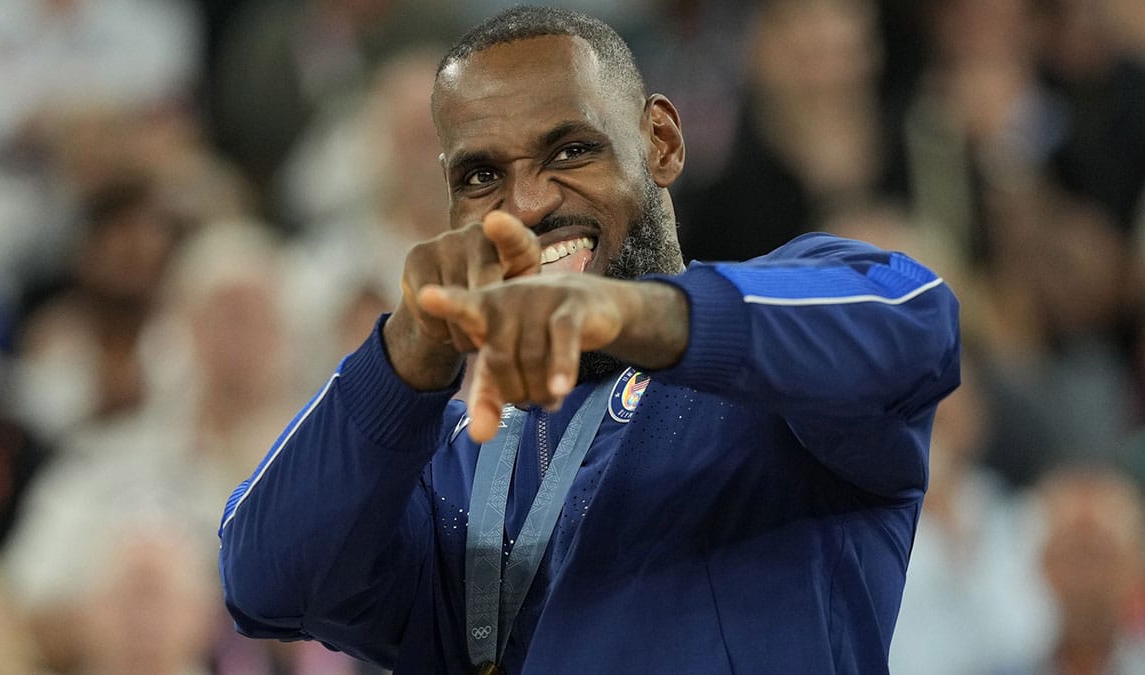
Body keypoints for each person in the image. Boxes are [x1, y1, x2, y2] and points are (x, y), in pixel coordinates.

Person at [217, 6, 961, 674]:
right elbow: (264, 581)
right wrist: (405, 355)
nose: (529, 203)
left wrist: (623, 314)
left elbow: (914, 326)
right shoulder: (442, 455)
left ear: (662, 143)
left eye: (570, 150)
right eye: (481, 176)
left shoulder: (782, 381)